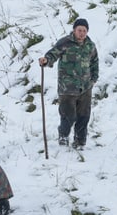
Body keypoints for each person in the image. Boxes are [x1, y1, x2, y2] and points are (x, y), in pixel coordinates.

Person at [39, 18, 99, 150]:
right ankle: (63, 136)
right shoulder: (65, 42)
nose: (82, 33)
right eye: (79, 30)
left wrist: (94, 79)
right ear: (74, 30)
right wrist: (46, 60)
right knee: (68, 115)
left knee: (84, 116)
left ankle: (80, 141)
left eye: (84, 30)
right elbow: (53, 54)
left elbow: (94, 62)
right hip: (67, 88)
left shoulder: (90, 45)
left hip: (85, 87)